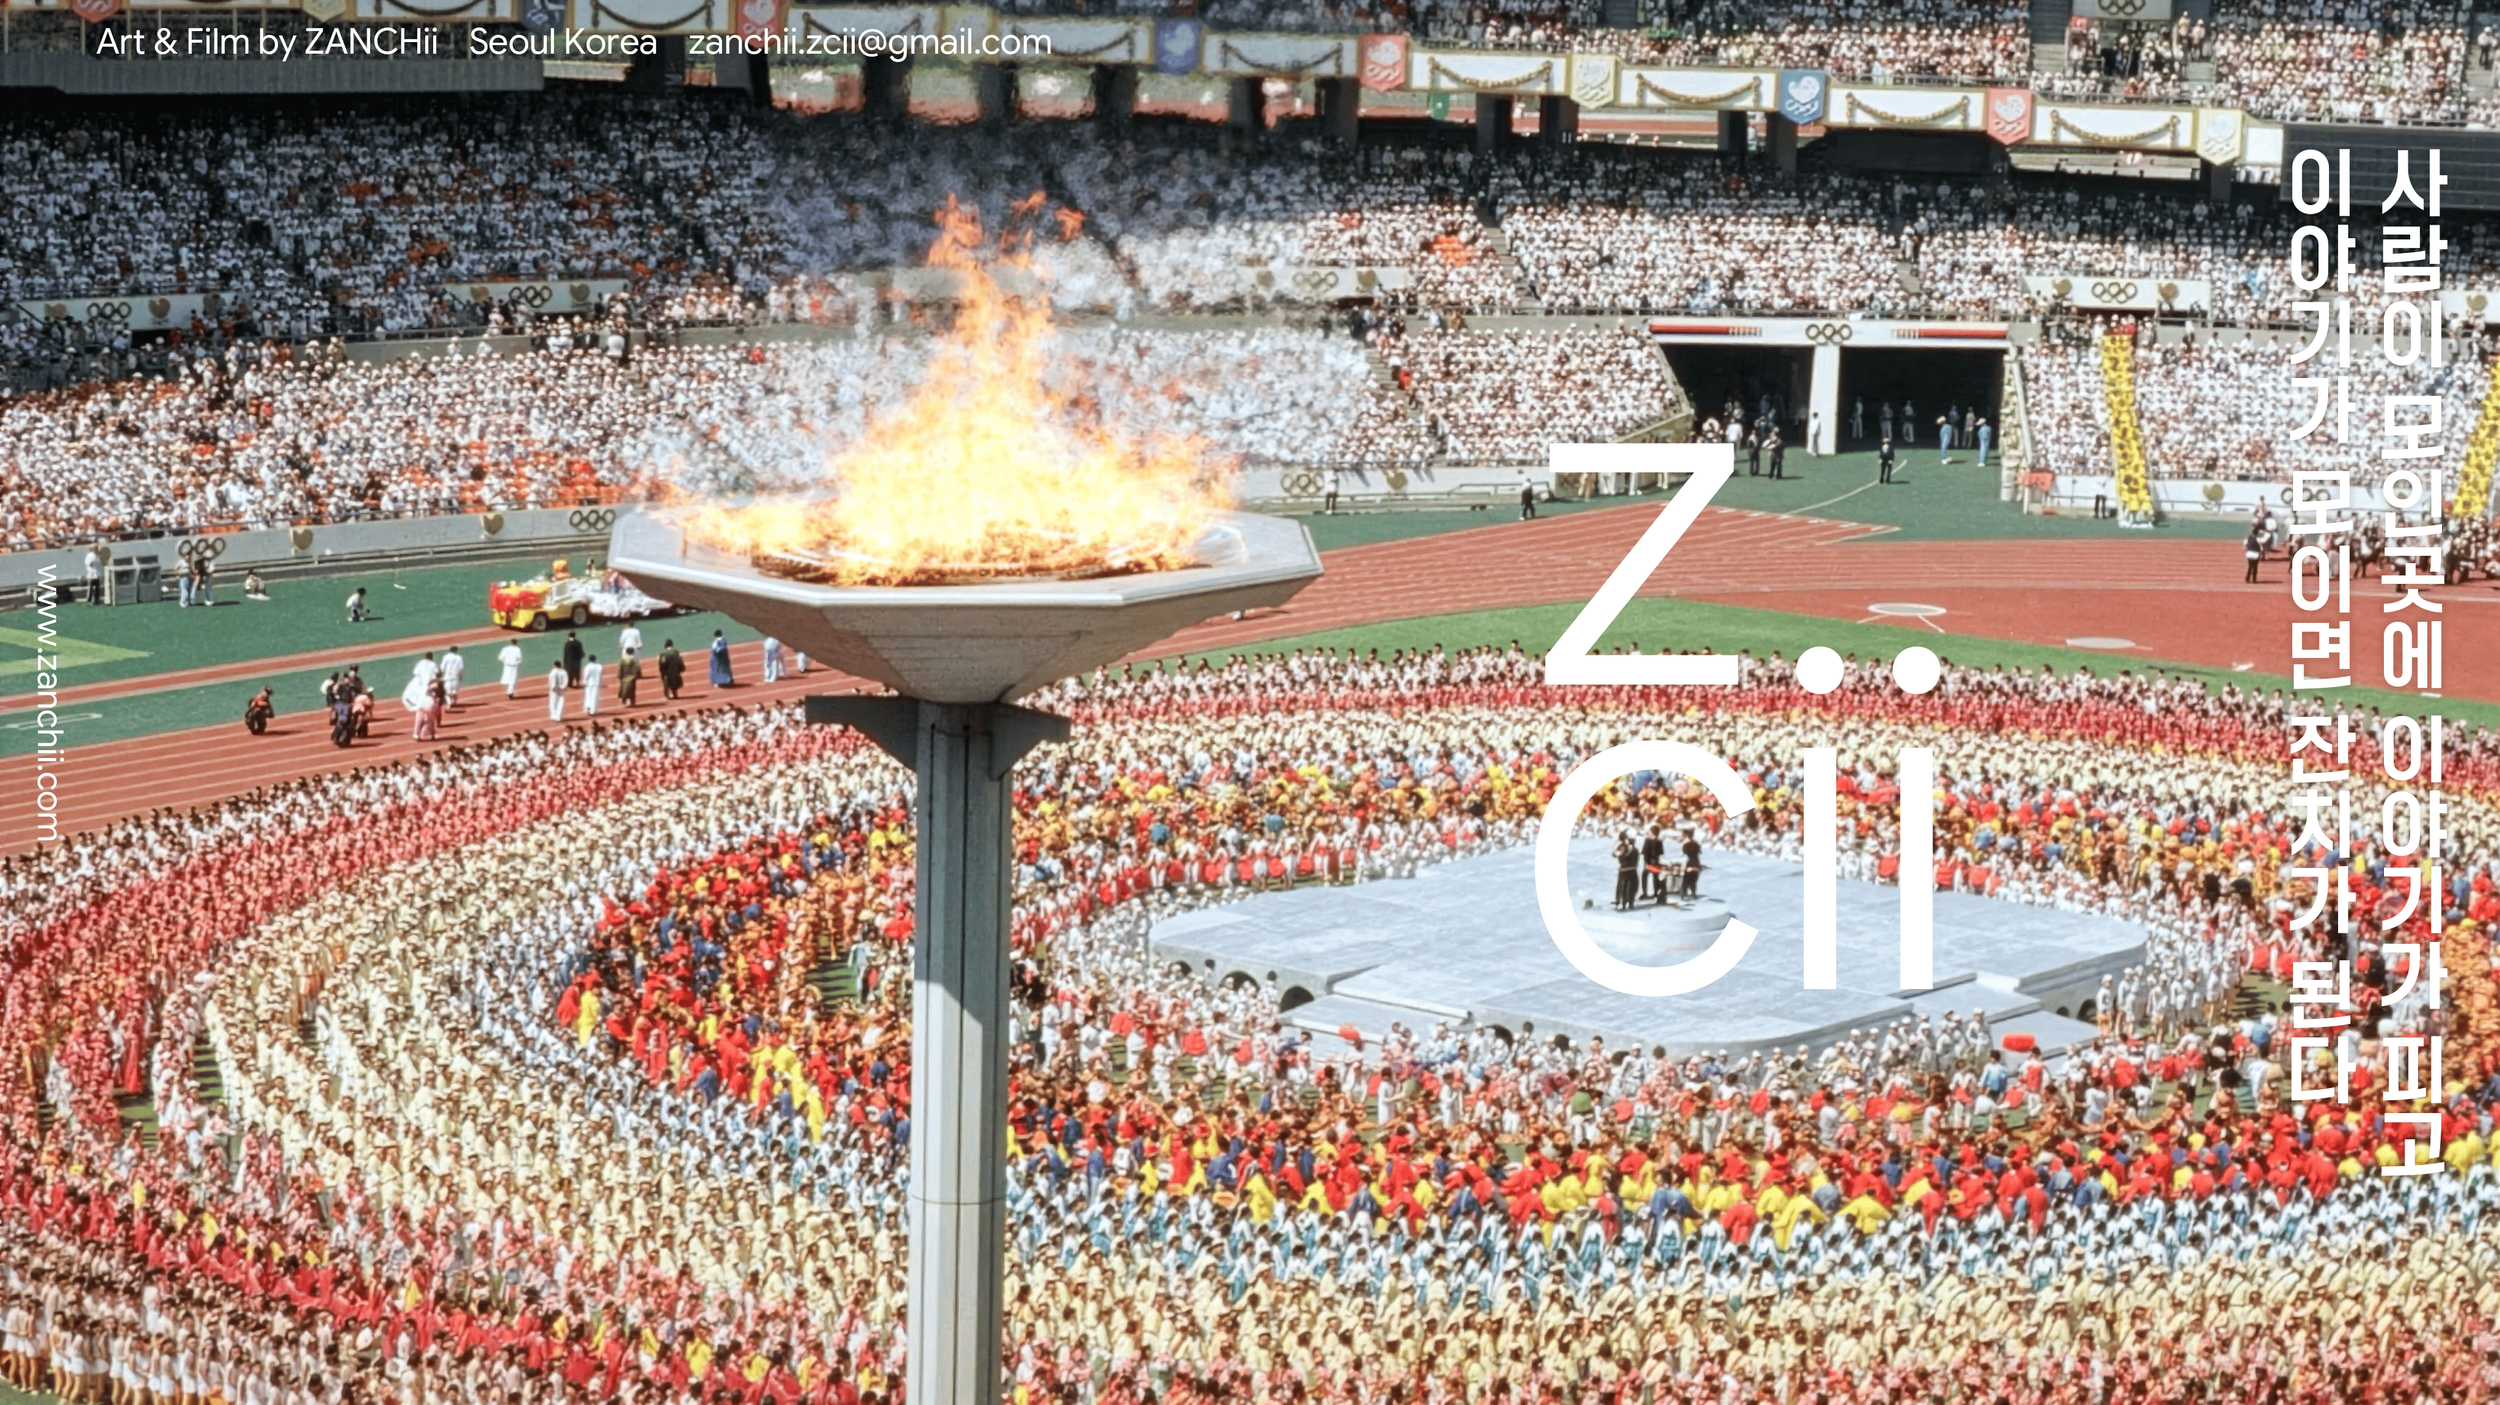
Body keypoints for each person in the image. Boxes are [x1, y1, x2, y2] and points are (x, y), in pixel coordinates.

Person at [1611, 832, 1639, 911]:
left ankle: (1621, 903)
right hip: (1632, 870)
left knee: (1622, 887)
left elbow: (1614, 854)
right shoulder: (1635, 849)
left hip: (1624, 870)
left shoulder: (1623, 848)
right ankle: (1630, 902)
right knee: (1631, 887)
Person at [1640, 825, 1665, 904]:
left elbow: (1644, 852)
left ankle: (1645, 893)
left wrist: (1647, 863)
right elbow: (1661, 852)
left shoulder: (1647, 840)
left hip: (1649, 863)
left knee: (1644, 876)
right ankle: (1655, 893)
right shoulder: (1659, 841)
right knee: (1655, 878)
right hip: (1656, 862)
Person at [1679, 828, 1703, 898]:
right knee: (1694, 880)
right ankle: (1693, 892)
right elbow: (1699, 852)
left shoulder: (1685, 844)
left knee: (1686, 878)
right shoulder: (1696, 843)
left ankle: (1684, 892)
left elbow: (1682, 855)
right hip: (1696, 863)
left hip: (1689, 863)